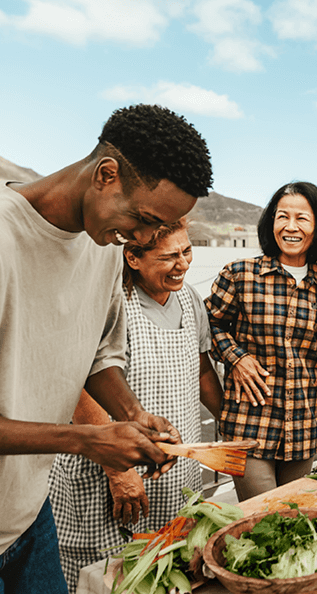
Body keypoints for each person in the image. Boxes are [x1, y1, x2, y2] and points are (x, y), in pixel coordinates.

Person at [0, 104, 213, 592]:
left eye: (158, 229)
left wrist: (132, 414)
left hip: (28, 512)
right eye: (143, 219)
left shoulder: (104, 248)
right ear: (106, 174)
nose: (142, 238)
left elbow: (99, 351)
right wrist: (87, 441)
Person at [47, 220, 223, 592]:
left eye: (187, 251)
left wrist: (230, 422)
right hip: (108, 471)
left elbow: (203, 369)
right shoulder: (107, 299)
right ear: (133, 258)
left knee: (170, 570)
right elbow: (77, 386)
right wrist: (118, 471)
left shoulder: (189, 299)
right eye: (169, 257)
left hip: (174, 473)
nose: (182, 264)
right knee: (106, 577)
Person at [206, 182, 317, 502]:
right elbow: (209, 324)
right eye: (282, 217)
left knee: (295, 515)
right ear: (271, 222)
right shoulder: (240, 274)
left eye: (302, 218)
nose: (291, 227)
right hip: (249, 423)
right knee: (261, 516)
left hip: (303, 424)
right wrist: (236, 358)